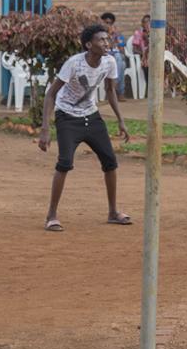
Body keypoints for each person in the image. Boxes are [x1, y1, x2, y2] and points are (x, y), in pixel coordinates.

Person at [39, 24, 132, 231]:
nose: (106, 43)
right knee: (64, 163)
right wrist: (45, 128)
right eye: (101, 40)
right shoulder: (74, 63)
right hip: (67, 116)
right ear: (89, 44)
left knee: (110, 162)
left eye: (108, 39)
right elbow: (51, 94)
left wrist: (121, 120)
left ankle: (113, 212)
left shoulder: (109, 62)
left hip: (91, 114)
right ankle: (51, 215)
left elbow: (110, 91)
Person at [100, 12, 127, 101]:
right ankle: (119, 92)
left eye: (110, 23)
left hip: (117, 57)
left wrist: (114, 37)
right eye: (106, 23)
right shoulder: (99, 35)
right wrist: (108, 36)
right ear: (102, 23)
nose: (108, 25)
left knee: (119, 58)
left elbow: (122, 50)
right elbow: (106, 48)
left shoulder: (117, 34)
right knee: (121, 64)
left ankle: (112, 88)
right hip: (104, 57)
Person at [132, 14, 150, 89]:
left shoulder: (156, 33)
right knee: (147, 65)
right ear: (142, 24)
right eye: (145, 22)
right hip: (143, 58)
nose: (147, 24)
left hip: (154, 57)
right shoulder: (138, 33)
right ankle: (150, 88)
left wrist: (147, 38)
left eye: (149, 22)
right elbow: (134, 49)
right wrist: (144, 54)